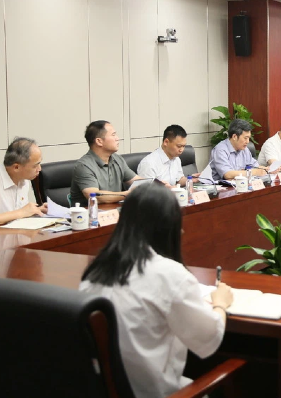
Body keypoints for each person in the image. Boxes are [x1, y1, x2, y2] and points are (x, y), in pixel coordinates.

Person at [79, 183, 233, 398]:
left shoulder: (95, 272)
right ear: (170, 228)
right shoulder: (169, 274)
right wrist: (220, 303)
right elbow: (208, 339)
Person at [70, 121, 142, 206]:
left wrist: (153, 186)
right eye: (113, 135)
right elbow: (95, 196)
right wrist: (128, 194)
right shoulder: (84, 166)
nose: (117, 138)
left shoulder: (117, 159)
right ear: (99, 141)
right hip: (91, 213)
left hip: (115, 210)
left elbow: (138, 181)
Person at [200, 119, 266, 183]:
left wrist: (265, 169)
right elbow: (227, 174)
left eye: (249, 138)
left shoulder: (244, 149)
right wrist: (252, 172)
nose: (248, 141)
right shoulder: (220, 150)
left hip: (238, 184)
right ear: (234, 136)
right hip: (218, 187)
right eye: (245, 138)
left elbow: (255, 166)